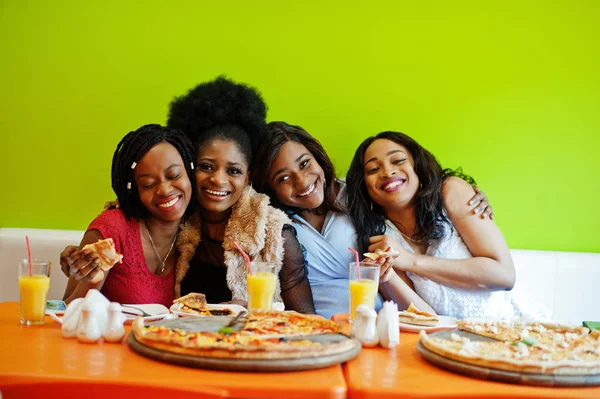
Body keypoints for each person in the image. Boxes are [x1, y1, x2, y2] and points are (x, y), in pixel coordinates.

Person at [252, 122, 493, 319]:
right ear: (270, 187)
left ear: (317, 156)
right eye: (283, 178)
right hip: (312, 326)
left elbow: (407, 188)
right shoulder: (273, 221)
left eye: (305, 163)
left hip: (375, 322)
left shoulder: (361, 194)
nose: (303, 182)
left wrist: (462, 192)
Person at [166, 77, 315, 313]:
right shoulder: (175, 219)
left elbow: (307, 321)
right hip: (180, 342)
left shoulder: (274, 233)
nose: (218, 179)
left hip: (253, 344)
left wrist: (252, 311)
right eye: (206, 166)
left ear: (247, 177)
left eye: (233, 171)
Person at [346, 131, 519, 319]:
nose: (387, 172)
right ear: (365, 186)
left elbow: (504, 276)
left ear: (417, 165)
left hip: (502, 332)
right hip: (439, 340)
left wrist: (411, 261)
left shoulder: (451, 192)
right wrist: (389, 279)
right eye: (373, 169)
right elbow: (426, 318)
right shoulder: (380, 238)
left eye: (398, 161)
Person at [61, 124, 197, 307]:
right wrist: (91, 282)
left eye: (174, 175)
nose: (164, 190)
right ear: (134, 190)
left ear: (190, 172)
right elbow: (65, 311)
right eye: (148, 184)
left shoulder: (199, 232)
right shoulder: (111, 230)